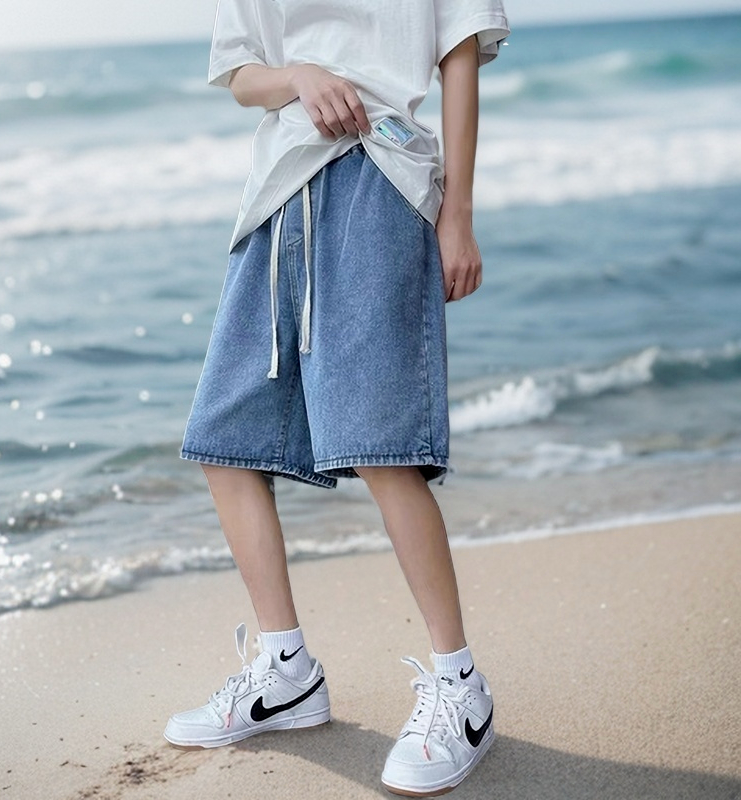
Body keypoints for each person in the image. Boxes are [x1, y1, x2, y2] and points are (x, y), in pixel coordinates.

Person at [163, 0, 510, 795]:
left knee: (384, 447)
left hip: (381, 180)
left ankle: (461, 688)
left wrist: (457, 213)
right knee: (226, 441)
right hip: (274, 196)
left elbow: (459, 51)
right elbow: (241, 74)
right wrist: (299, 75)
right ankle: (286, 670)